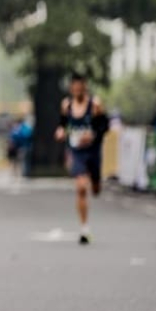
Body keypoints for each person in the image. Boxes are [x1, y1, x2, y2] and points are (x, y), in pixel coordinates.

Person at [55, 72, 108, 244]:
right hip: (76, 151)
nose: (77, 89)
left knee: (95, 188)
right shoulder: (66, 105)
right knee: (80, 187)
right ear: (71, 88)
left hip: (92, 151)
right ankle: (84, 229)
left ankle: (96, 181)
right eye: (74, 86)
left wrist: (91, 135)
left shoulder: (95, 105)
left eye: (80, 86)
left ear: (84, 87)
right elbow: (63, 124)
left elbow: (104, 127)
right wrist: (61, 131)